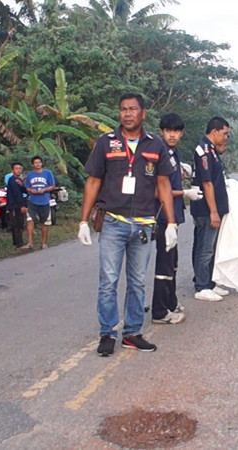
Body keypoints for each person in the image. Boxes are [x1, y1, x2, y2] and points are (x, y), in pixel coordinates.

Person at [77, 92, 177, 357]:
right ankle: (107, 333)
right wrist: (83, 221)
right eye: (123, 109)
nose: (128, 113)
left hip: (144, 226)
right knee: (108, 280)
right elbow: (93, 181)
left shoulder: (156, 145)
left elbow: (163, 184)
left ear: (143, 113)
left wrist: (171, 223)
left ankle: (132, 333)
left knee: (137, 282)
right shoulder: (105, 143)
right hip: (113, 223)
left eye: (133, 109)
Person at [151, 113, 203, 325]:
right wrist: (184, 193)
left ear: (181, 133)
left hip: (174, 215)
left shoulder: (173, 152)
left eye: (176, 131)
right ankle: (159, 311)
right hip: (162, 215)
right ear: (162, 132)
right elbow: (158, 191)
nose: (172, 135)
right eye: (168, 131)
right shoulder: (159, 153)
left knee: (172, 263)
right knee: (164, 265)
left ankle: (171, 302)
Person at [190, 117, 231, 302]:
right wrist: (214, 211)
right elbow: (207, 183)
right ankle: (201, 286)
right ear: (214, 131)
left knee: (209, 247)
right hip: (206, 209)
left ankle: (208, 282)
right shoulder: (204, 151)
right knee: (204, 248)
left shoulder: (212, 150)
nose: (226, 137)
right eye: (224, 133)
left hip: (211, 208)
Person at [23, 156, 56, 249]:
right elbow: (27, 187)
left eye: (39, 162)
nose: (38, 164)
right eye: (35, 162)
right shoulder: (30, 175)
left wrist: (45, 189)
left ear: (42, 163)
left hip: (44, 201)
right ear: (32, 164)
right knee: (29, 220)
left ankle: (43, 243)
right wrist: (31, 190)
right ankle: (30, 242)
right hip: (32, 201)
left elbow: (52, 186)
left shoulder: (48, 173)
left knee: (44, 222)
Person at [6, 162, 27, 249]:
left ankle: (19, 242)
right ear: (13, 170)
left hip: (18, 204)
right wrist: (22, 205)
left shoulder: (19, 180)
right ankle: (18, 243)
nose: (19, 170)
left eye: (20, 168)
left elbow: (24, 191)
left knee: (20, 223)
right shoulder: (12, 180)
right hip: (14, 205)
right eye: (17, 168)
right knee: (16, 224)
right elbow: (17, 194)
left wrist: (22, 184)